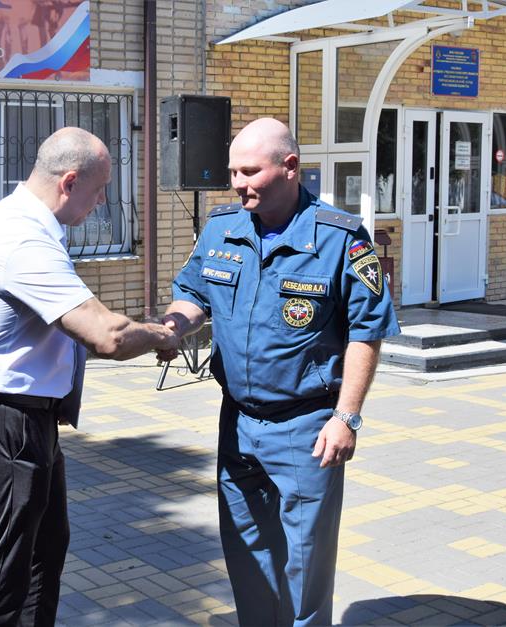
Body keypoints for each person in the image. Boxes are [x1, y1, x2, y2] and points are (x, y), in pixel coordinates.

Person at [161, 118, 400, 626]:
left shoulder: (340, 238)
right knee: (246, 549)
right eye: (233, 172)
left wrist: (347, 418)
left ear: (290, 167)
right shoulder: (222, 228)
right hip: (237, 421)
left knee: (305, 559)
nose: (237, 183)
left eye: (250, 171)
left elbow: (367, 331)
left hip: (306, 427)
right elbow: (194, 293)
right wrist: (172, 327)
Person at [0, 126, 179, 626]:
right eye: (100, 190)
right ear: (69, 182)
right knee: (7, 574)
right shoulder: (23, 239)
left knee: (44, 552)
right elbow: (106, 336)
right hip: (5, 422)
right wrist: (160, 334)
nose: (102, 203)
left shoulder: (28, 225)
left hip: (26, 420)